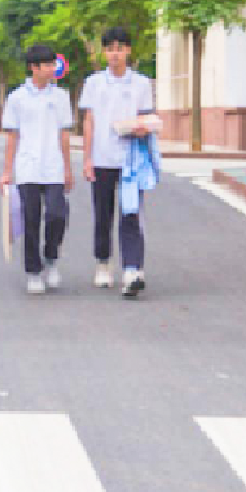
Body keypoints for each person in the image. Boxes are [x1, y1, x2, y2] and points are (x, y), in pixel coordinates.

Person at [78, 25, 157, 297]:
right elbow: (88, 121)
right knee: (103, 215)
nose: (115, 54)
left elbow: (148, 117)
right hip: (102, 157)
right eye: (110, 49)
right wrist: (86, 158)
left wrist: (143, 127)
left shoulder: (141, 83)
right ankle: (103, 262)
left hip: (132, 160)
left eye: (120, 48)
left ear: (128, 50)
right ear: (104, 52)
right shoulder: (94, 83)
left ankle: (133, 269)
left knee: (131, 213)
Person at [0, 43, 75, 297]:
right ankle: (33, 272)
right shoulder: (17, 98)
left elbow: (65, 135)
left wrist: (68, 169)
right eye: (48, 65)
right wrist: (7, 171)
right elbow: (12, 137)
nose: (53, 68)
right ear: (34, 67)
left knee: (56, 215)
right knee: (31, 219)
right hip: (27, 167)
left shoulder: (61, 97)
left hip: (53, 166)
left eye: (54, 64)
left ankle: (51, 258)